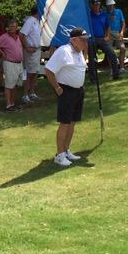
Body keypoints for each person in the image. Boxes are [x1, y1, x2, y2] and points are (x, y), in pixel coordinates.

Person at [43, 27, 89, 167]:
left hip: (78, 91)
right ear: (74, 40)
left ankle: (66, 150)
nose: (85, 43)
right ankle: (59, 154)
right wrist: (57, 87)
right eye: (83, 40)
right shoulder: (63, 51)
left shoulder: (79, 52)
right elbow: (49, 70)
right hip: (66, 91)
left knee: (72, 122)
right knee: (65, 123)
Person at [0, 18, 25, 112]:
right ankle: (8, 105)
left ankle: (13, 104)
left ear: (17, 27)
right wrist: (2, 53)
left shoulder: (18, 37)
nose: (13, 28)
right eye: (11, 27)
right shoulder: (4, 37)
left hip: (19, 64)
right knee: (9, 85)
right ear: (8, 28)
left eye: (14, 26)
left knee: (15, 85)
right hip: (10, 63)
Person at [89, 0, 120, 79]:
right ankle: (93, 79)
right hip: (92, 39)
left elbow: (108, 26)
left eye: (98, 4)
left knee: (112, 54)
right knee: (92, 58)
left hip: (102, 38)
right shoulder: (88, 14)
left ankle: (116, 75)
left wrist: (108, 36)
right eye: (95, 5)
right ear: (92, 5)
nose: (97, 6)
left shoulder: (103, 14)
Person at [19, 5, 42, 104]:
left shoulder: (37, 22)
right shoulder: (30, 21)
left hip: (37, 50)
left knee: (35, 72)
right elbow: (21, 34)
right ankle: (25, 95)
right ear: (37, 12)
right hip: (30, 51)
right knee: (28, 73)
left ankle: (32, 93)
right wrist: (26, 47)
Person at [105, 0, 127, 68]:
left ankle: (122, 68)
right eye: (109, 5)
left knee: (123, 48)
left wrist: (122, 32)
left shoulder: (119, 11)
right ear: (107, 6)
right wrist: (106, 35)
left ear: (114, 5)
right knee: (109, 51)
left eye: (112, 5)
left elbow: (123, 23)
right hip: (109, 33)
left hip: (118, 33)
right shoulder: (105, 14)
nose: (111, 6)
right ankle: (112, 69)